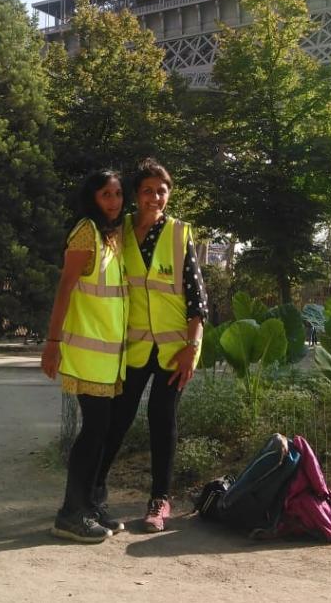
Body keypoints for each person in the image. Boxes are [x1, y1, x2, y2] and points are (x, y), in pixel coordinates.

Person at [94, 158, 207, 534]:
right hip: (135, 347)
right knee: (118, 419)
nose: (155, 197)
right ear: (135, 195)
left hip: (176, 349)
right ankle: (93, 493)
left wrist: (192, 348)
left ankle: (159, 501)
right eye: (147, 190)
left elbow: (198, 301)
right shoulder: (118, 231)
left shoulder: (179, 234)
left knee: (162, 418)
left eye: (162, 190)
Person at [41, 169, 127, 544]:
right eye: (106, 194)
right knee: (93, 433)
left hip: (109, 355)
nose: (113, 201)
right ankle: (70, 513)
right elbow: (65, 288)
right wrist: (52, 341)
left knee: (103, 432)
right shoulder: (85, 232)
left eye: (118, 194)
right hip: (86, 352)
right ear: (91, 198)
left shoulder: (112, 237)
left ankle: (90, 504)